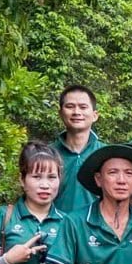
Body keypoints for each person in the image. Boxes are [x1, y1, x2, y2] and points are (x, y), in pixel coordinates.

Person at [51, 84, 103, 215]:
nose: (76, 112)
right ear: (60, 113)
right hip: (55, 229)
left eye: (83, 107)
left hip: (96, 231)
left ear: (95, 115)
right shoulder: (47, 154)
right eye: (70, 106)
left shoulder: (106, 155)